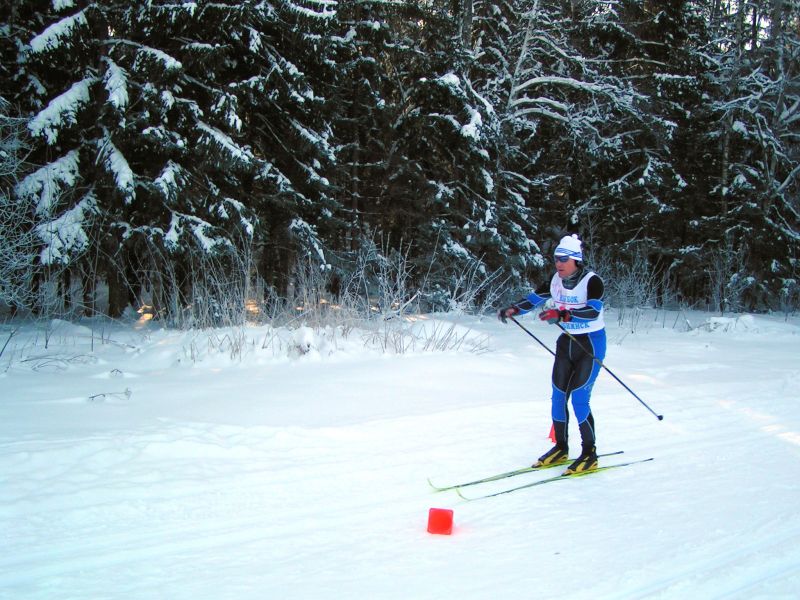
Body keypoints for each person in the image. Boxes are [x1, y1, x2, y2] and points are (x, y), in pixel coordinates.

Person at [498, 234, 606, 474]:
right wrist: (514, 309)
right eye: (557, 258)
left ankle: (590, 453)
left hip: (590, 344)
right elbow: (534, 299)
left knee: (579, 399)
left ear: (576, 260)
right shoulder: (555, 280)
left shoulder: (592, 281)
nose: (559, 263)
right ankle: (561, 447)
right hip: (566, 343)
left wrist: (563, 315)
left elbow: (592, 312)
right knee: (558, 395)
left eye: (564, 259)